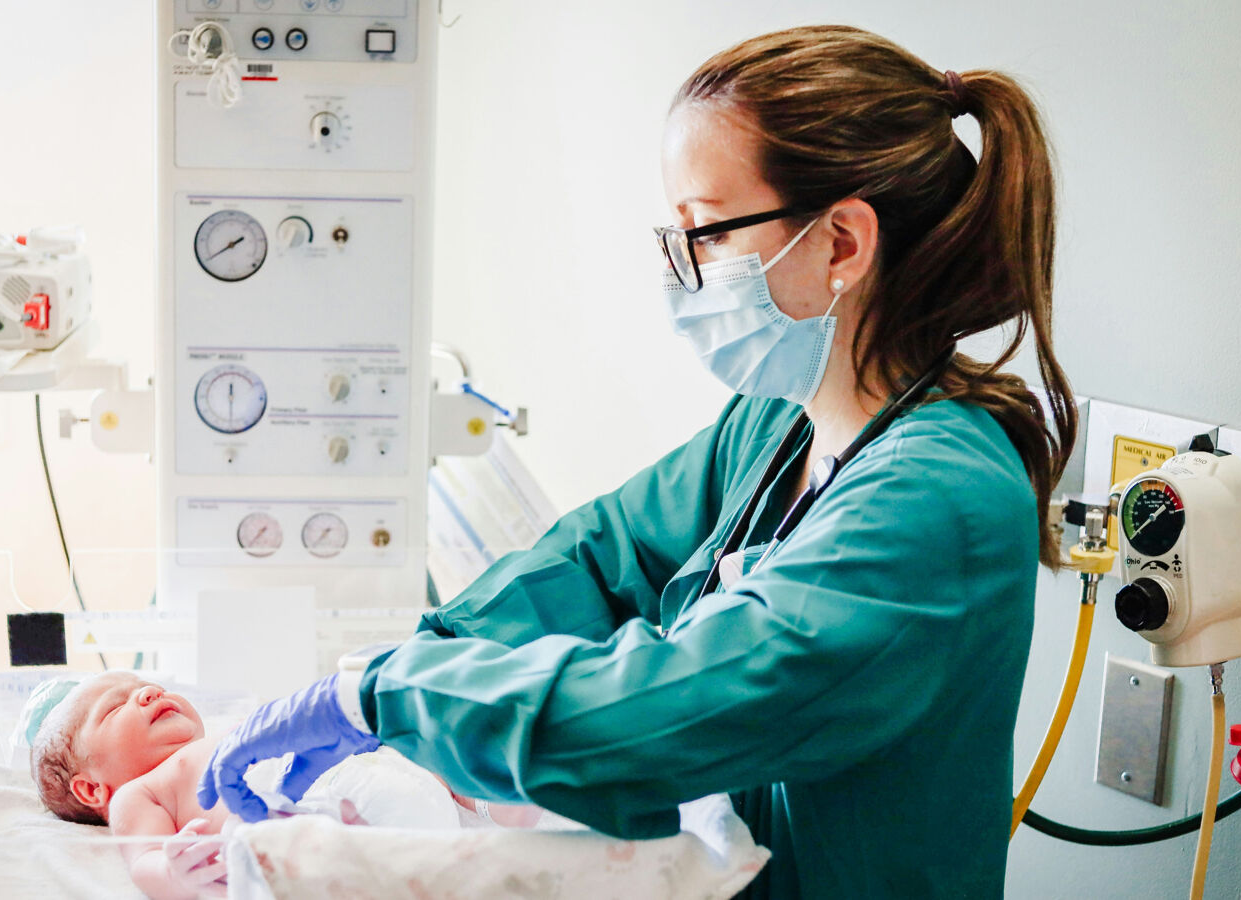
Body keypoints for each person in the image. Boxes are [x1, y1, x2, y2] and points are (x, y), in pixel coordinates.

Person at [199, 24, 1077, 899]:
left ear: (842, 243)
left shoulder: (940, 499)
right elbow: (601, 558)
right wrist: (424, 653)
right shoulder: (777, 428)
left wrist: (386, 699)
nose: (681, 272)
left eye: (704, 234)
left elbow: (669, 705)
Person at [26, 673, 546, 899]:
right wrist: (177, 872)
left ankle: (492, 797)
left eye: (146, 686)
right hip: (317, 818)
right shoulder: (144, 792)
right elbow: (144, 863)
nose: (146, 693)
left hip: (377, 774)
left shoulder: (237, 725)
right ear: (93, 789)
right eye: (115, 706)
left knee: (424, 758)